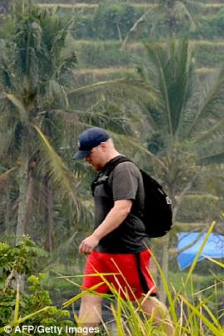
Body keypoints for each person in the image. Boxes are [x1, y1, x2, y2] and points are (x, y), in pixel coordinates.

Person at [74, 127, 171, 332]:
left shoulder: (124, 169)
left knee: (142, 300)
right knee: (89, 298)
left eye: (89, 154)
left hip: (127, 250)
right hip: (101, 252)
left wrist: (94, 236)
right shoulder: (105, 172)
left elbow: (123, 208)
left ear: (103, 146)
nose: (87, 160)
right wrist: (97, 241)